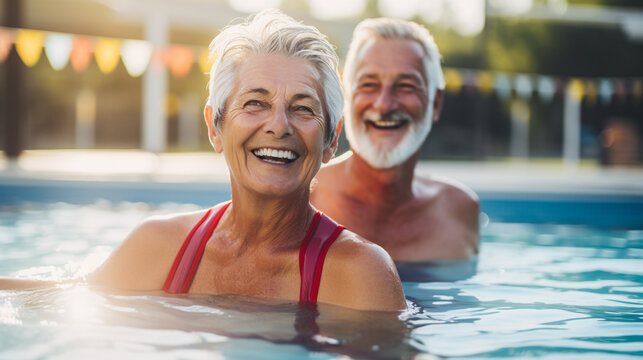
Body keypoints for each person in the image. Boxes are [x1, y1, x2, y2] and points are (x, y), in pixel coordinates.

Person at [0, 10, 405, 312]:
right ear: (215, 127)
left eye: (302, 108)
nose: (278, 125)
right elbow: (62, 296)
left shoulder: (359, 275)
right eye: (255, 103)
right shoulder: (158, 246)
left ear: (331, 140)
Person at [311, 18, 479, 263]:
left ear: (435, 103)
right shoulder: (303, 198)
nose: (384, 104)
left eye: (406, 86)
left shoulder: (458, 210)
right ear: (346, 96)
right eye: (369, 85)